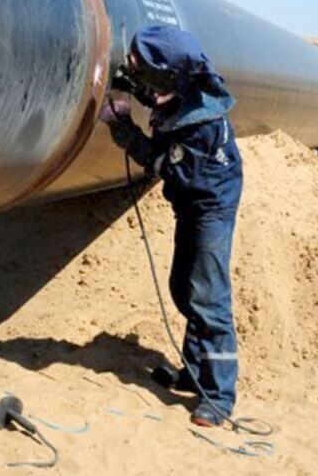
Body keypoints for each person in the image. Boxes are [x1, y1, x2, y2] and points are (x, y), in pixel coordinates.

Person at [100, 25, 243, 428]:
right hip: (193, 201)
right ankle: (194, 373)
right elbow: (158, 97)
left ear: (167, 73)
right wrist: (129, 84)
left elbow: (163, 165)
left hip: (210, 207)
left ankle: (218, 395)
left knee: (208, 298)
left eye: (140, 66)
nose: (133, 67)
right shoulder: (185, 90)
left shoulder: (200, 126)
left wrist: (122, 127)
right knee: (183, 287)